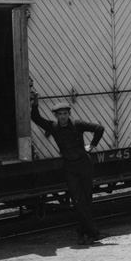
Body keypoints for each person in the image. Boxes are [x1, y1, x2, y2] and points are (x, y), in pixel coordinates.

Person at [31, 94, 108, 245]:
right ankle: (92, 233)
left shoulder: (77, 124)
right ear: (56, 116)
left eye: (65, 113)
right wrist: (35, 104)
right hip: (69, 167)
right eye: (59, 114)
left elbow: (99, 128)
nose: (63, 117)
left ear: (69, 114)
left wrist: (92, 145)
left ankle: (82, 233)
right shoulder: (53, 127)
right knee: (78, 201)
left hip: (84, 164)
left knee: (86, 199)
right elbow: (36, 118)